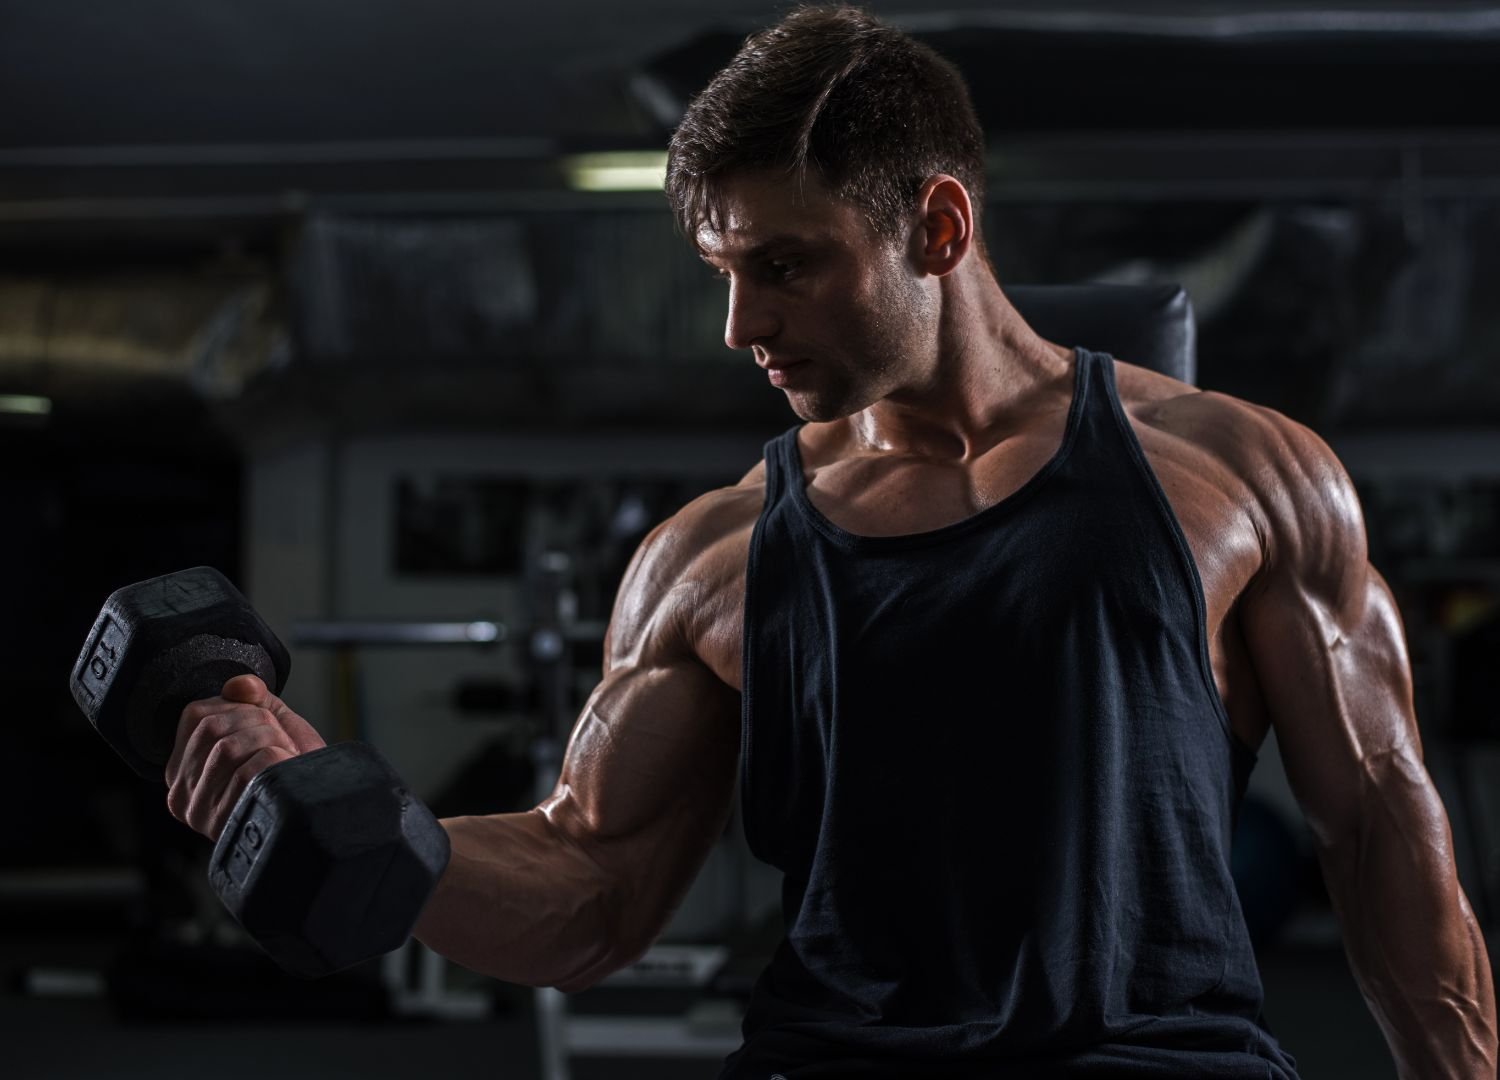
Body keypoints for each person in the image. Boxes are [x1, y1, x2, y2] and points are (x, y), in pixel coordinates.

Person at [165, 5, 1496, 1077]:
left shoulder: (1237, 474)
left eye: (786, 265)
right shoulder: (711, 557)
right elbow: (592, 883)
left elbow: (1381, 827)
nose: (740, 323)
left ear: (939, 225)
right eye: (722, 273)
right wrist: (367, 820)